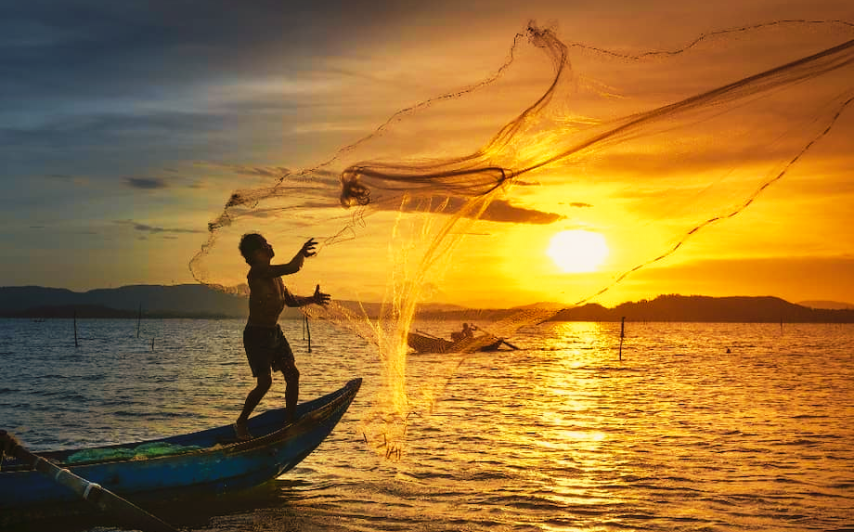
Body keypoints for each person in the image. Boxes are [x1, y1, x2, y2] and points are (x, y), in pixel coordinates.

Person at [234, 233, 330, 441]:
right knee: (265, 383)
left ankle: (289, 422)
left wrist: (312, 299)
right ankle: (241, 422)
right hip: (256, 335)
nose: (270, 245)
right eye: (265, 244)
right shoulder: (258, 272)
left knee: (292, 375)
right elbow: (293, 267)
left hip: (274, 333)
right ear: (256, 254)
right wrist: (302, 253)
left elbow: (290, 301)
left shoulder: (276, 276)